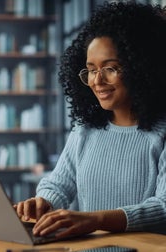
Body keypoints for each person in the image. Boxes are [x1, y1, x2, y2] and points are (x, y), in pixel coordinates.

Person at [15, 1, 166, 239]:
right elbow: (58, 184)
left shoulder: (161, 134)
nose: (97, 81)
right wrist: (43, 202)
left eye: (110, 68)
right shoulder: (85, 130)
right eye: (91, 70)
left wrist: (95, 220)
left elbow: (164, 207)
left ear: (142, 67)